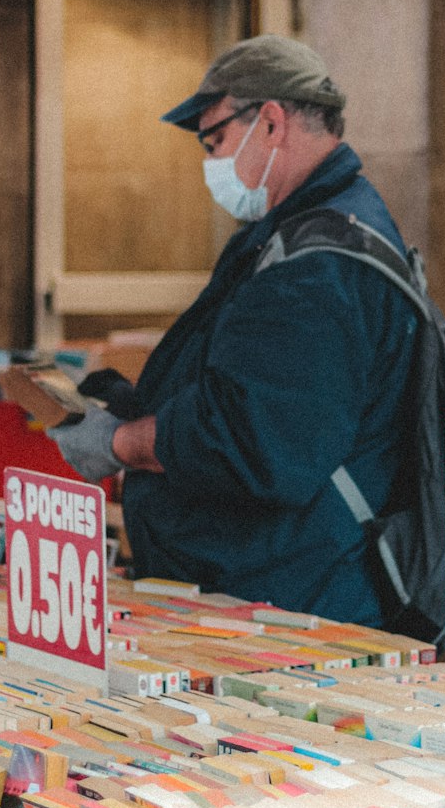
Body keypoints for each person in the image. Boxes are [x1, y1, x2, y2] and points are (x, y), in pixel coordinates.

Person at [51, 35, 418, 626]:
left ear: (270, 122)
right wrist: (136, 406)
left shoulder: (317, 264)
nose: (211, 160)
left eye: (215, 138)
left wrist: (121, 445)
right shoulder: (301, 232)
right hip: (276, 582)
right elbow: (252, 388)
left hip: (294, 600)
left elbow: (258, 443)